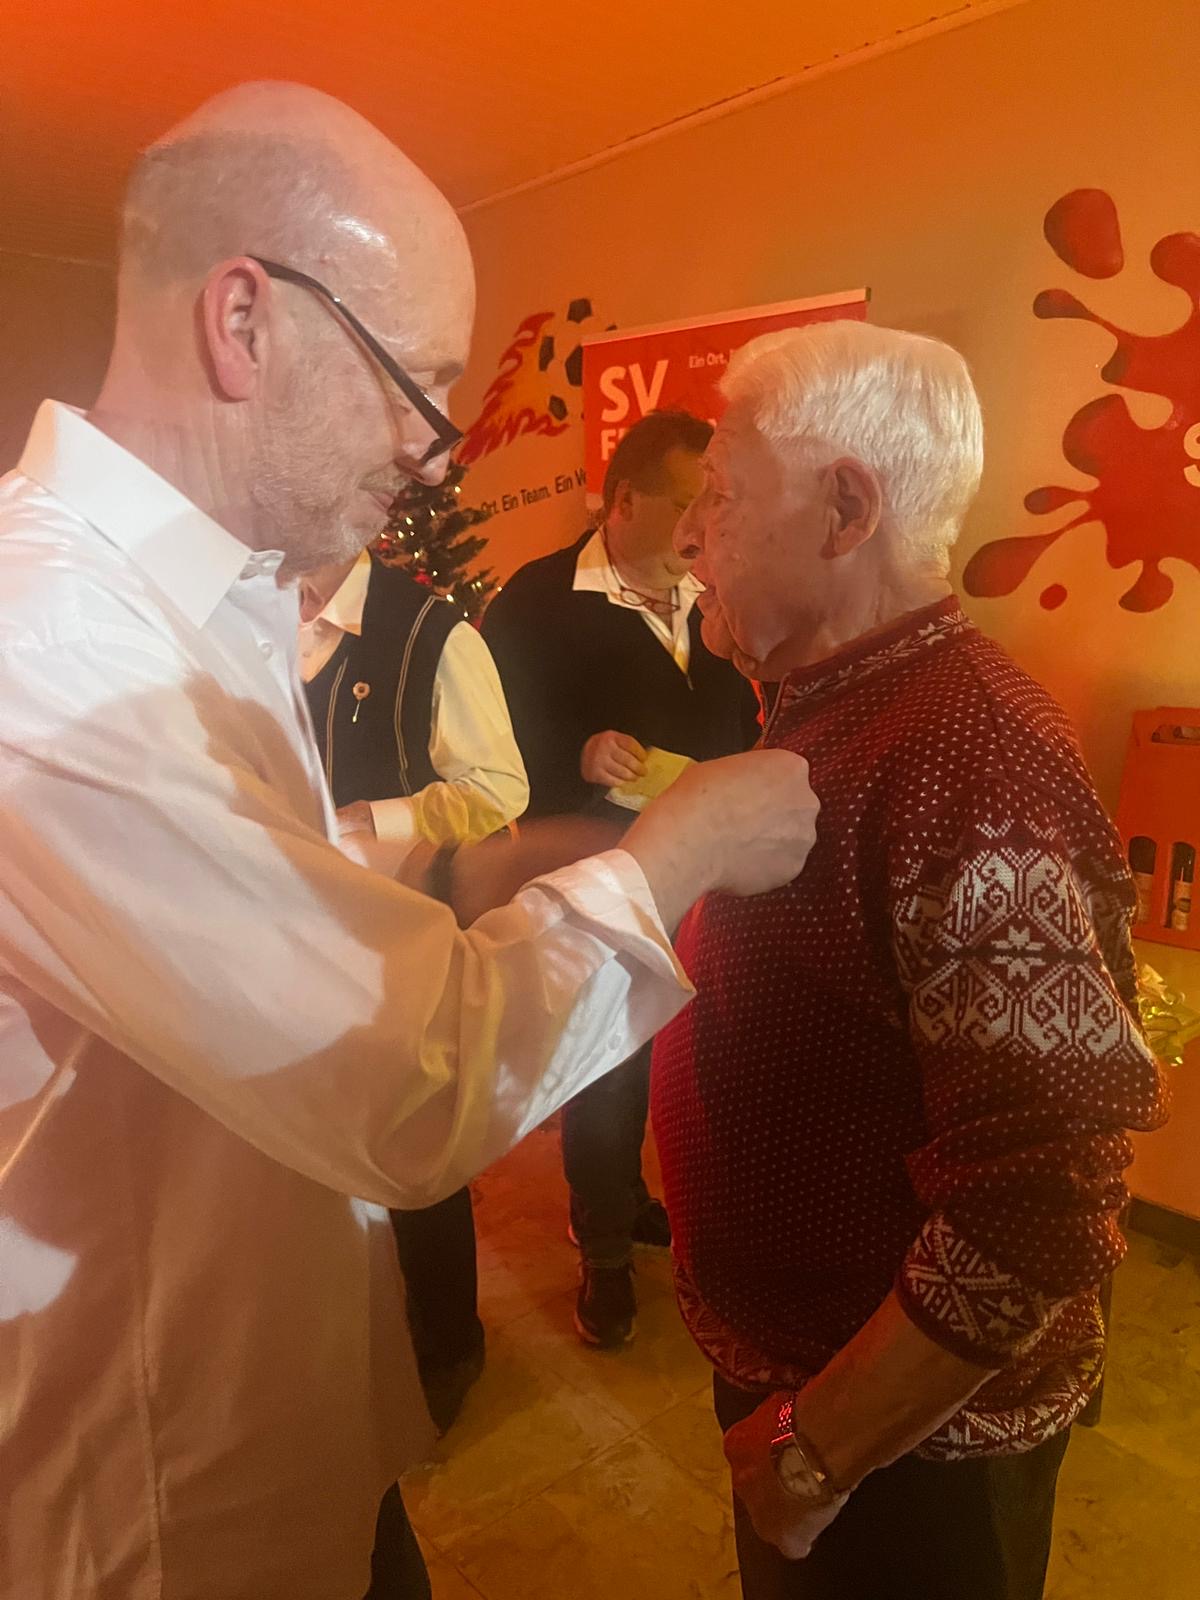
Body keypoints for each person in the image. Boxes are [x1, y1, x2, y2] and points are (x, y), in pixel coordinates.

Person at [0, 84, 820, 1600]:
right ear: (243, 321)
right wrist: (677, 851)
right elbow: (408, 1082)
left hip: (287, 1409)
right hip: (169, 1493)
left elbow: (242, 896)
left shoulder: (210, 599)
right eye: (416, 385)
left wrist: (460, 866)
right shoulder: (48, 648)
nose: (441, 456)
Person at [651, 320, 1170, 1600]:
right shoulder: (836, 703)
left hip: (902, 1444)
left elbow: (1041, 1191)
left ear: (845, 510)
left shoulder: (969, 752)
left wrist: (817, 1449)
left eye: (720, 493)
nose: (689, 536)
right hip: (808, 1378)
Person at [484, 410, 761, 1350]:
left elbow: (741, 715)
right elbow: (493, 750)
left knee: (688, 1051)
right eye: (686, 502)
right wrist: (577, 753)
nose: (701, 524)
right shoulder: (535, 602)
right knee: (609, 1058)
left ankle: (639, 1199)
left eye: (712, 502)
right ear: (625, 500)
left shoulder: (714, 588)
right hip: (602, 869)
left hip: (714, 863)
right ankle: (602, 1246)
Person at [299, 548, 530, 1432]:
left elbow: (501, 791)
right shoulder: (246, 617)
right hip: (289, 939)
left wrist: (376, 818)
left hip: (391, 943)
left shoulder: (431, 631)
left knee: (410, 1140)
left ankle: (449, 1340)